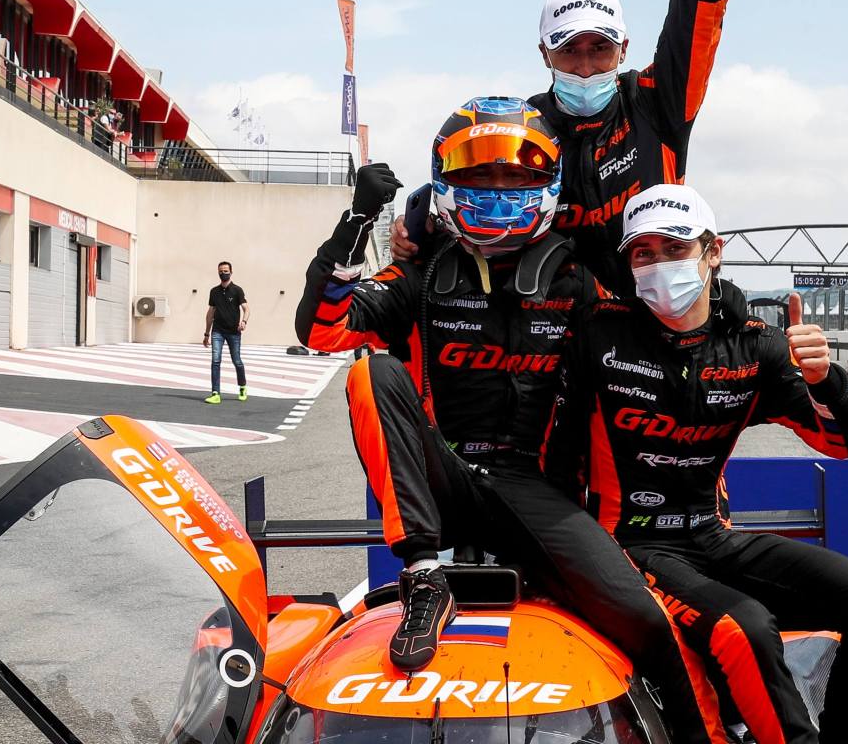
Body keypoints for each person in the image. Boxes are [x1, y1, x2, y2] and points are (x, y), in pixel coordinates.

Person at [294, 98, 732, 744]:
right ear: (446, 184)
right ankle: (422, 580)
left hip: (540, 497)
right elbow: (322, 329)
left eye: (516, 178)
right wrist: (355, 223)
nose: (498, 193)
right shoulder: (422, 272)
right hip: (444, 479)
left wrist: (731, 310)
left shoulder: (579, 279)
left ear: (546, 186)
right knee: (370, 372)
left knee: (649, 623)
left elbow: (663, 344)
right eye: (480, 177)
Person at [549, 185, 848, 744]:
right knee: (747, 629)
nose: (659, 263)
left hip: (713, 537)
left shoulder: (752, 346)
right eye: (643, 252)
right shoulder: (595, 335)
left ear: (712, 252)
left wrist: (826, 380)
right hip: (626, 547)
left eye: (675, 247)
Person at [392, 0, 736, 297]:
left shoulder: (658, 100)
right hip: (562, 325)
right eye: (569, 50)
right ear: (545, 53)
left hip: (656, 311)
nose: (585, 68)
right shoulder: (524, 130)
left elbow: (697, 15)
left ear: (624, 49)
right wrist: (418, 234)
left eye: (600, 48)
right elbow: (474, 206)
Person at [203, 261, 249, 404]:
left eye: (225, 271)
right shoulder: (214, 292)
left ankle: (242, 387)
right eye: (221, 271)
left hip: (233, 332)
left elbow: (246, 309)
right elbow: (210, 313)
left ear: (231, 272)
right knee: (215, 361)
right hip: (218, 331)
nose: (223, 273)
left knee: (237, 361)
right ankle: (215, 393)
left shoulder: (237, 290)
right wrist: (206, 334)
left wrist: (244, 322)